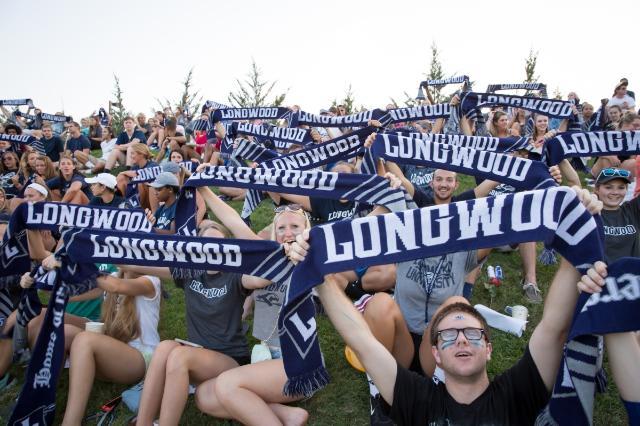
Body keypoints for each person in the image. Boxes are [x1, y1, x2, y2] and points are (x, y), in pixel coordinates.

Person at [288, 187, 602, 425]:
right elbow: (361, 341)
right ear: (436, 352)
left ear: (489, 347)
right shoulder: (417, 400)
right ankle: (377, 393)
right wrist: (318, 276)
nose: (462, 338)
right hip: (408, 337)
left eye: (471, 332)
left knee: (455, 303)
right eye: (449, 336)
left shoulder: (517, 395)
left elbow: (553, 328)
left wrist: (576, 223)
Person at [22, 256, 161, 426]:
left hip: (141, 359)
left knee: (84, 340)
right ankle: (36, 402)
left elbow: (116, 287)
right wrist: (35, 280)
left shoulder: (150, 281)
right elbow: (64, 292)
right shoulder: (114, 276)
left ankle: (71, 422)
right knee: (44, 317)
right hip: (110, 347)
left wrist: (66, 262)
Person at [592, 168, 640, 263]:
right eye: (608, 187)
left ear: (626, 189)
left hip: (633, 275)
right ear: (597, 189)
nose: (615, 192)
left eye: (621, 187)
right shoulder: (590, 213)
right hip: (600, 275)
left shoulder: (632, 209)